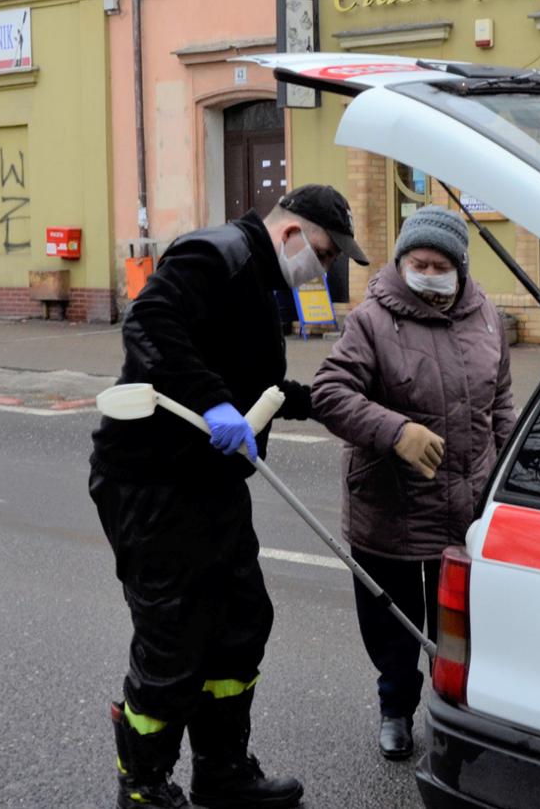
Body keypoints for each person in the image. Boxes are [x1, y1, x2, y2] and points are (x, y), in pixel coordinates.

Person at [89, 185, 369, 809]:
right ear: (292, 234)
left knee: (240, 622)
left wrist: (317, 404)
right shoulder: (215, 255)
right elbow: (150, 322)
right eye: (326, 254)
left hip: (209, 483)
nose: (326, 269)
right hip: (151, 483)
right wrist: (212, 401)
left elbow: (251, 381)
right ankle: (143, 785)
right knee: (174, 635)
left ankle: (222, 771)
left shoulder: (259, 282)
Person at [312, 206, 515, 760]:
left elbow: (500, 402)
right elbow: (329, 392)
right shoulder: (371, 320)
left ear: (459, 268)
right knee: (394, 622)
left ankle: (458, 712)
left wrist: (508, 473)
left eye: (439, 265)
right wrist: (395, 431)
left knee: (459, 624)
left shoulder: (487, 317)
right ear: (401, 262)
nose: (427, 274)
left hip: (466, 501)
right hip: (391, 504)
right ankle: (396, 708)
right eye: (417, 263)